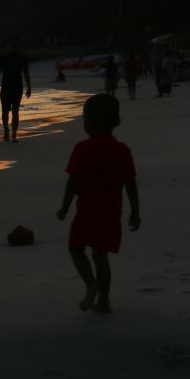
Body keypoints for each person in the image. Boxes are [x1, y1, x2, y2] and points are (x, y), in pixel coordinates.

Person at [57, 93, 140, 313]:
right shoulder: (122, 150)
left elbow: (72, 182)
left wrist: (64, 207)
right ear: (117, 122)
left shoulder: (82, 149)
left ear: (87, 122)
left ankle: (91, 284)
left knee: (76, 248)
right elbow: (130, 183)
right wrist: (135, 212)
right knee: (100, 255)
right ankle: (104, 300)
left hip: (87, 211)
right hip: (112, 211)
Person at [0, 46, 32, 142]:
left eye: (15, 44)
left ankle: (14, 134)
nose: (13, 46)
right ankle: (6, 130)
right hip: (6, 88)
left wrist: (29, 87)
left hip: (17, 88)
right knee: (5, 111)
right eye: (12, 44)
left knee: (15, 111)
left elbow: (26, 74)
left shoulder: (22, 58)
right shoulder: (3, 57)